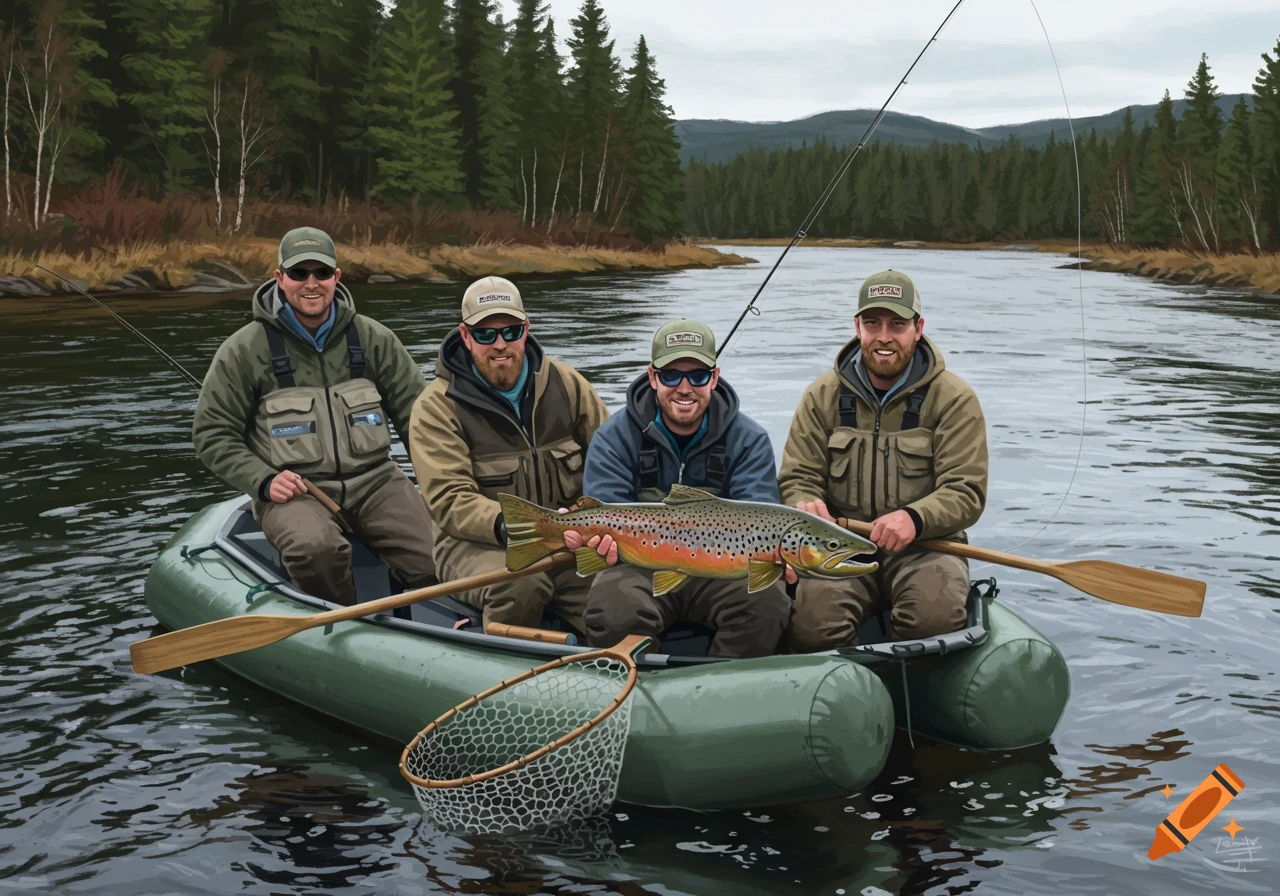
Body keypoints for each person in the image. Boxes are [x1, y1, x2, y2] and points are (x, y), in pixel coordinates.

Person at [193, 227, 437, 606]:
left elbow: (419, 422)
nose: (311, 283)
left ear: (336, 277)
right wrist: (263, 480)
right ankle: (341, 624)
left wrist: (444, 486)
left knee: (439, 555)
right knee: (315, 549)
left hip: (377, 483)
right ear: (279, 278)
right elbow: (213, 434)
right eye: (299, 273)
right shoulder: (243, 349)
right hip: (295, 493)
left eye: (321, 273)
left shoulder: (374, 339)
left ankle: (444, 624)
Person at [779, 269, 988, 652]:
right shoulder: (821, 395)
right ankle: (848, 700)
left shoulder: (954, 399)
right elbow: (798, 476)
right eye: (873, 323)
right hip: (839, 547)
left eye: (897, 324)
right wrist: (804, 505)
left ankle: (912, 695)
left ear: (918, 327)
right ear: (857, 326)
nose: (884, 337)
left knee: (934, 619)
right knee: (813, 626)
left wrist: (915, 517)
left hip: (928, 549)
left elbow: (966, 492)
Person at [569, 319, 791, 659]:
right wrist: (595, 541)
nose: (684, 387)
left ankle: (720, 688)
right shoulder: (613, 438)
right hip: (639, 566)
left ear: (714, 378)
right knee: (612, 607)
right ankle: (638, 692)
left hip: (723, 571)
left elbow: (761, 516)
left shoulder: (750, 440)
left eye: (698, 376)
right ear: (653, 377)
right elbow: (605, 512)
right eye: (671, 375)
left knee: (768, 602)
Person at [408, 276, 609, 634]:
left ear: (526, 330)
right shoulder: (436, 408)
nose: (500, 345)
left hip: (570, 543)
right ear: (466, 336)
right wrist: (517, 527)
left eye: (511, 331)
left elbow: (611, 461)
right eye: (486, 334)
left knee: (618, 594)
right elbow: (450, 500)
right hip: (474, 546)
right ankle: (506, 676)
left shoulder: (568, 384)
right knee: (521, 583)